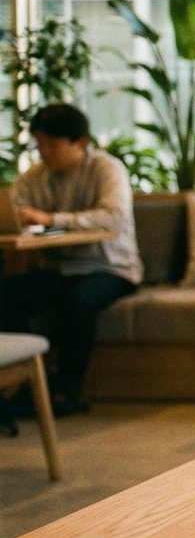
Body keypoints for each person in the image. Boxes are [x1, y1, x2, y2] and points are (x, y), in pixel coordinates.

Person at [1, 104, 142, 417]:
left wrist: (50, 218)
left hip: (110, 268)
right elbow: (14, 209)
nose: (44, 152)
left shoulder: (106, 169)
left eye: (52, 144)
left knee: (79, 303)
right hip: (58, 270)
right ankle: (27, 383)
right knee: (6, 297)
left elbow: (114, 217)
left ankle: (66, 390)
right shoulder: (34, 177)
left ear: (79, 142)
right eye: (40, 144)